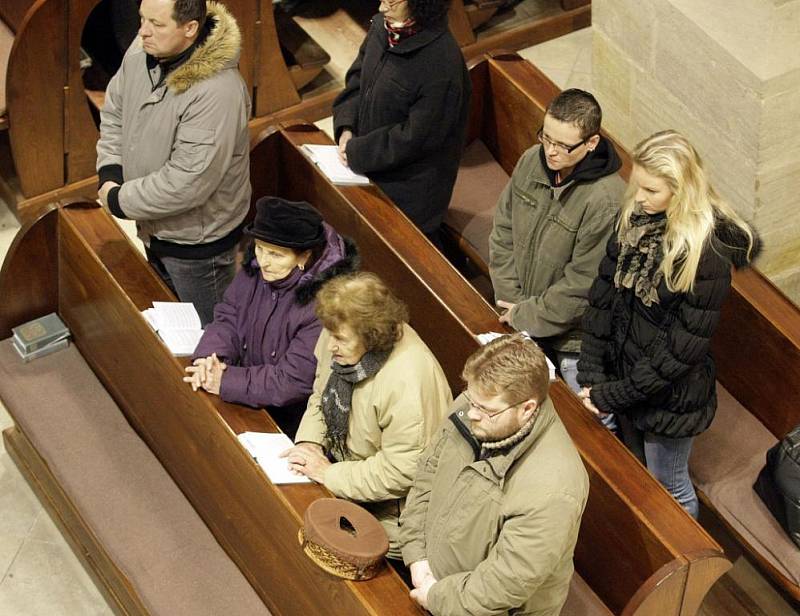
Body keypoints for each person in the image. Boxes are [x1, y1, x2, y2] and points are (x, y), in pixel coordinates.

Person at [577, 130, 759, 518]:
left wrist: (613, 394)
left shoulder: (704, 257)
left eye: (651, 190)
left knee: (668, 487)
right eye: (637, 184)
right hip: (626, 376)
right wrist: (593, 372)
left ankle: (685, 564)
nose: (639, 197)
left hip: (671, 398)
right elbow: (603, 297)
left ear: (681, 191)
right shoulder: (634, 221)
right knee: (634, 468)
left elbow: (678, 353)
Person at [398, 333, 589, 615]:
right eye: (472, 400)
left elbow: (507, 582)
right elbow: (427, 475)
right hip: (431, 583)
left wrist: (437, 597)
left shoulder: (554, 486)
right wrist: (416, 556)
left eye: (485, 409)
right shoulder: (474, 404)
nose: (472, 414)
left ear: (527, 409)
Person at [96, 0, 251, 326]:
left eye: (156, 23)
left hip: (197, 242)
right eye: (142, 19)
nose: (143, 31)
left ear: (190, 28)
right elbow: (115, 113)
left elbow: (188, 182)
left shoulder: (217, 92)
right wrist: (111, 169)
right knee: (171, 319)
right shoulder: (143, 51)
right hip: (153, 223)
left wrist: (119, 199)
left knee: (211, 333)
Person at [281, 272, 452, 559]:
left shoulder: (409, 381)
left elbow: (401, 471)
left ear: (371, 337)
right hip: (346, 476)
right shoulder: (338, 334)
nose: (330, 345)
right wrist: (309, 443)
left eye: (340, 339)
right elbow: (321, 395)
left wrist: (328, 473)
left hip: (392, 517)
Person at [488, 89, 625, 404]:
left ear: (591, 143)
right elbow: (503, 230)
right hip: (519, 309)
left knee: (589, 421)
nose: (550, 152)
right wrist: (513, 301)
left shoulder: (604, 200)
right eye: (546, 138)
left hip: (573, 338)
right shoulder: (530, 162)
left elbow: (581, 285)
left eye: (563, 146)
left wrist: (527, 314)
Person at [183, 197, 357, 438]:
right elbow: (229, 317)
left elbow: (291, 381)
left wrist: (225, 380)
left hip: (291, 420)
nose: (263, 261)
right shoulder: (255, 269)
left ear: (304, 257)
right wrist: (209, 359)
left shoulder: (326, 305)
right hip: (247, 389)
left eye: (276, 255)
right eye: (260, 248)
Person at [332, 0, 471, 247]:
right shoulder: (383, 28)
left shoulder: (442, 63)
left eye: (392, 0)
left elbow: (418, 137)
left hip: (409, 194)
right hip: (366, 162)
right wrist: (346, 128)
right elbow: (357, 81)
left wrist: (358, 151)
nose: (382, 6)